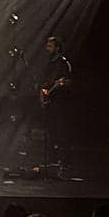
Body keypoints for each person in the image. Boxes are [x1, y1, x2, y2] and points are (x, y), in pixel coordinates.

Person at [38, 36, 73, 164]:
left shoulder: (63, 63)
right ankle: (52, 158)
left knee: (61, 130)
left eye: (50, 46)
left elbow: (69, 80)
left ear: (57, 48)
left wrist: (61, 84)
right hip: (50, 100)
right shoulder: (49, 63)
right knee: (51, 129)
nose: (47, 49)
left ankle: (64, 159)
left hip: (60, 101)